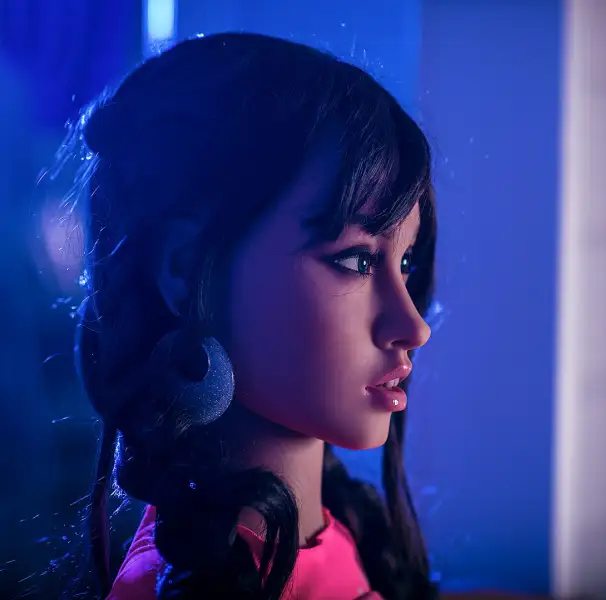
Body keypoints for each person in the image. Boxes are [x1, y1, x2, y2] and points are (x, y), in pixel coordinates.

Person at [58, 32, 438, 600]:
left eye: (405, 262)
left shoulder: (339, 534)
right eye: (356, 261)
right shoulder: (174, 587)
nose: (414, 326)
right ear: (185, 271)